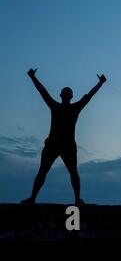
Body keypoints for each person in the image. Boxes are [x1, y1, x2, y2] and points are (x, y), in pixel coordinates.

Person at [21, 68, 107, 205]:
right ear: (69, 96)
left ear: (62, 95)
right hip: (59, 144)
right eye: (67, 93)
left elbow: (42, 91)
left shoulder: (59, 106)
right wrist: (101, 83)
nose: (67, 95)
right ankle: (75, 199)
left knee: (52, 172)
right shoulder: (71, 107)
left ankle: (34, 198)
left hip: (60, 144)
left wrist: (32, 77)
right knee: (65, 172)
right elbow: (90, 95)